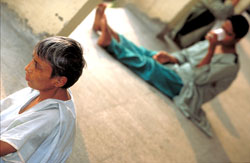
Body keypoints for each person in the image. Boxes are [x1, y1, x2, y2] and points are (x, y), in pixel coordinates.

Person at [93, 4, 249, 137]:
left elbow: (198, 78)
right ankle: (110, 32)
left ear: (238, 39)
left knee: (151, 67)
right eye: (222, 29)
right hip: (180, 70)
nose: (221, 35)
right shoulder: (215, 41)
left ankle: (110, 44)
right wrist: (171, 58)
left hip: (187, 88)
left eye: (227, 34)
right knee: (150, 54)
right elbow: (186, 54)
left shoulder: (230, 65)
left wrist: (211, 49)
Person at [0, 36, 86, 162]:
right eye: (33, 60)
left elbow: (3, 147)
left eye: (37, 66)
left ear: (59, 81)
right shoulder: (49, 90)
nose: (27, 67)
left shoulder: (51, 117)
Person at [157, 0, 240, 48]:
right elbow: (222, 13)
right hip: (179, 34)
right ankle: (180, 39)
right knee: (209, 16)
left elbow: (228, 15)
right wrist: (233, 4)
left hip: (183, 33)